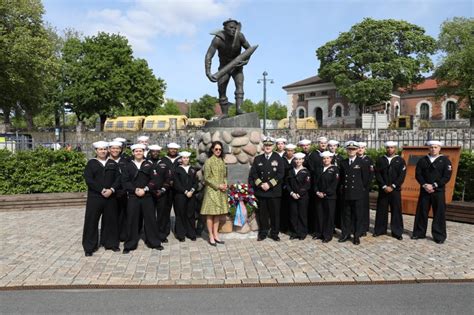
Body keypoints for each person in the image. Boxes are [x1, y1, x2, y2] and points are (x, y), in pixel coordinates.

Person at [121, 144, 163, 253]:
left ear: (143, 152)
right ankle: (129, 244)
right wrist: (134, 190)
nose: (138, 153)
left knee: (150, 220)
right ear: (133, 153)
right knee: (132, 220)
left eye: (140, 151)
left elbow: (155, 179)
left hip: (147, 196)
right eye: (136, 151)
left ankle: (154, 242)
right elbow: (125, 181)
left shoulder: (149, 164)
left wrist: (146, 189)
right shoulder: (128, 165)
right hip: (133, 196)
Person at [205, 19, 251, 116]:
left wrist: (246, 60)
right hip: (223, 68)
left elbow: (249, 49)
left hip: (237, 67)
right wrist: (208, 72)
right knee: (221, 90)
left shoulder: (240, 36)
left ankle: (239, 109)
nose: (233, 30)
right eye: (231, 27)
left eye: (235, 28)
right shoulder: (218, 39)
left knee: (240, 86)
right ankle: (224, 113)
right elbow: (209, 55)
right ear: (224, 28)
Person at [82, 141, 121, 256]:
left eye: (104, 149)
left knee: (111, 221)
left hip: (111, 197)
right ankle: (89, 247)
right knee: (91, 221)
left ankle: (111, 243)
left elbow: (118, 178)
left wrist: (112, 190)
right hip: (95, 197)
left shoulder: (112, 163)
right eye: (100, 149)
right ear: (96, 151)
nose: (103, 151)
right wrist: (101, 190)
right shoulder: (91, 163)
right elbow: (89, 180)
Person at [412, 141, 452, 244]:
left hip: (438, 191)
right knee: (422, 212)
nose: (433, 149)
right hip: (425, 190)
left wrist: (434, 185)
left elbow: (446, 176)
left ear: (440, 148)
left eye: (435, 147)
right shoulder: (423, 160)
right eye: (431, 147)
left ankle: (439, 236)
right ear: (428, 149)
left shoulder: (445, 161)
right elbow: (418, 174)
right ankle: (419, 233)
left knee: (439, 213)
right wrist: (424, 185)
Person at [249, 137, 285, 241]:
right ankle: (263, 233)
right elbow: (254, 174)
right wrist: (261, 184)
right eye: (266, 145)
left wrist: (269, 184)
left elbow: (280, 174)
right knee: (263, 215)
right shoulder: (258, 159)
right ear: (263, 146)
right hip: (262, 192)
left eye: (269, 145)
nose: (268, 147)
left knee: (275, 215)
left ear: (273, 146)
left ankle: (274, 233)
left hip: (274, 192)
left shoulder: (278, 158)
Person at [374, 141, 407, 240]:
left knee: (396, 210)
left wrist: (393, 186)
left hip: (395, 190)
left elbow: (402, 175)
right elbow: (377, 174)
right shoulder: (380, 160)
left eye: (392, 148)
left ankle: (397, 232)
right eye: (388, 148)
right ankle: (379, 230)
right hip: (383, 190)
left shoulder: (400, 160)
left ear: (395, 149)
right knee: (381, 210)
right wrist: (384, 186)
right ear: (386, 148)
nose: (390, 149)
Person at [339, 141, 370, 245]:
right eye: (349, 149)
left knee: (358, 215)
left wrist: (361, 190)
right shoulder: (343, 162)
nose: (351, 151)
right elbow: (342, 179)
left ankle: (356, 235)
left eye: (353, 149)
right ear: (347, 150)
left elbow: (366, 179)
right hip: (346, 193)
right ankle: (345, 234)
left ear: (357, 150)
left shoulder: (362, 163)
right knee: (346, 215)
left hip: (357, 193)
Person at [201, 141, 228, 246]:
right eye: (216, 149)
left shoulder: (222, 161)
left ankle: (216, 234)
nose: (218, 151)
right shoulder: (209, 161)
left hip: (221, 191)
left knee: (217, 214)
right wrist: (218, 185)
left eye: (220, 149)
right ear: (212, 149)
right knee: (210, 214)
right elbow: (207, 178)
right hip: (212, 191)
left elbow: (225, 175)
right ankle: (211, 235)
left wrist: (225, 184)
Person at [158, 142, 182, 243]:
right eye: (171, 149)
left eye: (175, 149)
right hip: (166, 189)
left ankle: (180, 232)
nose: (173, 150)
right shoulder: (163, 160)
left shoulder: (181, 159)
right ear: (168, 149)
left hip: (178, 189)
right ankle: (164, 232)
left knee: (179, 211)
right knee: (165, 211)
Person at [314, 151, 340, 243]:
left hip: (329, 197)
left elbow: (334, 184)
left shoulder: (335, 169)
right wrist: (317, 191)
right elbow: (315, 182)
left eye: (328, 158)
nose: (326, 160)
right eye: (324, 158)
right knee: (320, 215)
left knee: (329, 216)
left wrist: (325, 193)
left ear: (331, 159)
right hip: (319, 196)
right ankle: (319, 233)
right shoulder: (319, 169)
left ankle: (327, 235)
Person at [173, 151, 199, 242]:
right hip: (180, 195)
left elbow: (196, 182)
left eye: (187, 158)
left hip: (191, 195)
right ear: (181, 159)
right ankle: (181, 234)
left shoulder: (192, 169)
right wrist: (185, 192)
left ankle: (191, 233)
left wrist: (191, 191)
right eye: (184, 158)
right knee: (180, 214)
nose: (186, 159)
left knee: (190, 214)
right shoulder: (177, 170)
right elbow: (176, 184)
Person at [286, 152, 311, 240]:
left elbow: (307, 185)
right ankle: (294, 232)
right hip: (292, 196)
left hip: (303, 197)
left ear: (303, 160)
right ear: (294, 160)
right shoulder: (290, 171)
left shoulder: (306, 171)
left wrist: (299, 194)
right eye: (296, 159)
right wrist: (292, 193)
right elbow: (287, 184)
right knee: (293, 215)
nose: (298, 161)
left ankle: (302, 233)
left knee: (302, 215)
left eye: (300, 159)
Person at [356, 141, 374, 235]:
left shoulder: (368, 159)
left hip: (365, 188)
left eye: (362, 148)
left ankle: (364, 228)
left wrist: (367, 186)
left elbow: (371, 174)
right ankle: (356, 227)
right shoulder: (354, 159)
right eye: (358, 147)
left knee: (364, 208)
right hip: (356, 188)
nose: (360, 149)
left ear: (365, 149)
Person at [280, 143, 297, 233]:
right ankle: (283, 227)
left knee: (293, 209)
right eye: (288, 150)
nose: (289, 152)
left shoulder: (297, 160)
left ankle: (292, 227)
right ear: (285, 151)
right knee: (284, 208)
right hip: (283, 187)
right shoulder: (281, 159)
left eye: (291, 150)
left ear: (294, 151)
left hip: (294, 187)